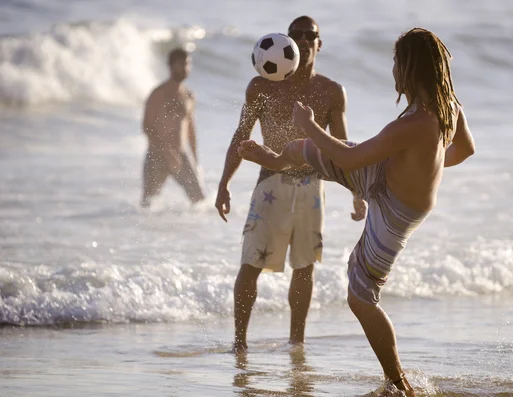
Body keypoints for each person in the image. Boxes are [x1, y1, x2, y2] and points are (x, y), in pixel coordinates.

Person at [237, 27, 475, 396]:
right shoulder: (448, 108)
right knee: (304, 148)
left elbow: (347, 157)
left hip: (396, 211)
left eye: (397, 63)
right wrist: (418, 165)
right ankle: (276, 159)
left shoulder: (414, 123)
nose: (393, 70)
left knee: (361, 297)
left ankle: (399, 384)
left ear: (410, 68)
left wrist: (310, 124)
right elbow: (463, 151)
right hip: (385, 176)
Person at [215, 16, 366, 352]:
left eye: (310, 35)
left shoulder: (331, 91)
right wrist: (224, 183)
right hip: (271, 184)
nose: (303, 40)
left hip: (313, 186)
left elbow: (342, 148)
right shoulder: (262, 86)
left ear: (319, 43)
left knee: (304, 267)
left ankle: (296, 343)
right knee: (250, 264)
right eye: (296, 35)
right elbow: (242, 135)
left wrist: (358, 192)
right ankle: (239, 343)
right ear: (287, 41)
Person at [141, 47, 205, 208]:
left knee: (199, 201)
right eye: (181, 64)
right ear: (170, 66)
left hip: (181, 155)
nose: (185, 68)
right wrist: (165, 150)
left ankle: (197, 231)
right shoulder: (158, 94)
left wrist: (196, 160)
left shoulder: (189, 96)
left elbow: (191, 130)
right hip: (157, 154)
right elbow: (147, 126)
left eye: (187, 64)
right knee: (147, 205)